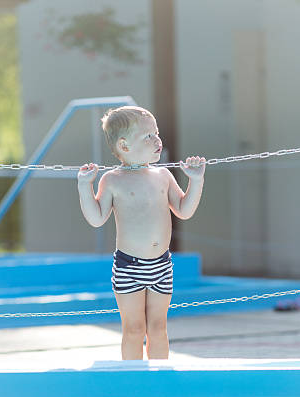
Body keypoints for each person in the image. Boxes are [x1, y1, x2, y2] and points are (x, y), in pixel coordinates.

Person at [77, 105, 205, 360]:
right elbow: (96, 218)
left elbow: (184, 210)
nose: (157, 139)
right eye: (148, 136)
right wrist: (84, 186)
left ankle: (159, 379)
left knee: (158, 328)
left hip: (161, 265)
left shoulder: (163, 175)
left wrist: (196, 180)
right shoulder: (112, 180)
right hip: (128, 267)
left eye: (156, 133)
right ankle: (132, 379)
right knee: (134, 329)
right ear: (124, 146)